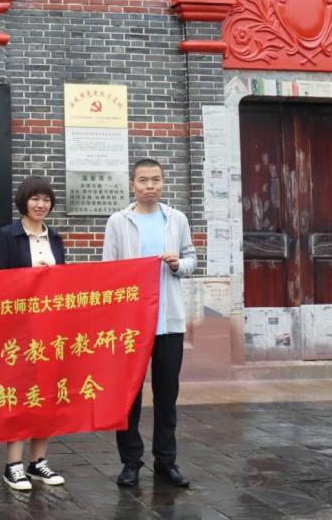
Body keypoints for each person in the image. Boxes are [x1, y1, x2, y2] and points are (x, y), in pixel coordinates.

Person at [103, 158, 196, 488]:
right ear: (132, 184)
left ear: (163, 182)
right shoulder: (118, 222)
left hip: (168, 323)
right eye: (143, 180)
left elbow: (191, 259)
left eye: (155, 180)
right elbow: (108, 269)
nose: (150, 186)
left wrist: (177, 265)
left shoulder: (176, 219)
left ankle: (166, 461)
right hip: (132, 325)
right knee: (128, 396)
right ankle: (130, 462)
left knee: (166, 396)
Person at [0, 176, 67, 492]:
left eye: (46, 199)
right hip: (18, 328)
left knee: (47, 394)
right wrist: (32, 278)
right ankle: (13, 465)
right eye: (35, 198)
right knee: (20, 393)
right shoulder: (8, 235)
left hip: (50, 328)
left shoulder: (56, 238)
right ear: (23, 201)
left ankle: (38, 461)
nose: (41, 204)